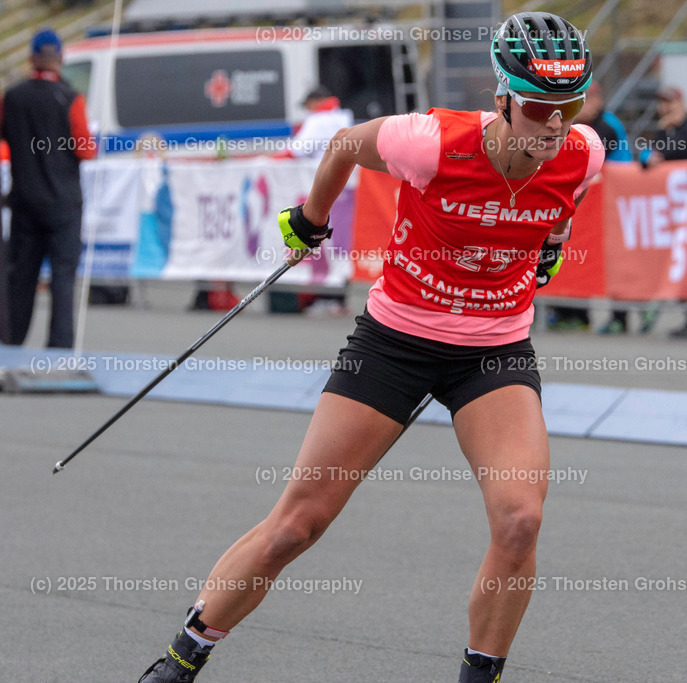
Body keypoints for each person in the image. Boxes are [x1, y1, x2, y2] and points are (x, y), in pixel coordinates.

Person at [138, 11, 602, 683]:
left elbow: (563, 206)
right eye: (538, 106)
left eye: (570, 104)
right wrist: (310, 220)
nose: (555, 124)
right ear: (502, 96)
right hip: (396, 341)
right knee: (297, 525)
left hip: (493, 351)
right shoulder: (431, 141)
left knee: (521, 520)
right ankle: (183, 656)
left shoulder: (584, 152)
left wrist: (549, 248)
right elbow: (345, 147)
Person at [1, 28, 96, 348]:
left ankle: (10, 343)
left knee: (20, 278)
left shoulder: (11, 97)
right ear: (60, 58)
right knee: (63, 279)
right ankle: (59, 348)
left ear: (31, 58)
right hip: (63, 205)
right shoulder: (70, 99)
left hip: (24, 202)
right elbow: (86, 150)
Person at [602, 86, 687, 337]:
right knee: (681, 262)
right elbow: (647, 155)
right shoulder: (666, 129)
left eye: (670, 103)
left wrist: (659, 151)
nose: (665, 108)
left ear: (682, 104)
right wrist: (656, 149)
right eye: (662, 103)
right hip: (674, 209)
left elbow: (677, 152)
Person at [547, 81, 628, 332]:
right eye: (582, 101)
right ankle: (571, 312)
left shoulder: (608, 126)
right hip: (587, 205)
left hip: (614, 204)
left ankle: (622, 317)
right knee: (572, 253)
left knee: (616, 258)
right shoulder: (571, 125)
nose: (587, 106)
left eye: (591, 100)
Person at [274, 86, 356, 317]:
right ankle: (337, 298)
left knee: (320, 242)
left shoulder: (319, 120)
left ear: (315, 102)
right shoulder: (343, 116)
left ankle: (327, 298)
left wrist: (267, 159)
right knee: (340, 245)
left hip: (324, 190)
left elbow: (297, 150)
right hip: (346, 189)